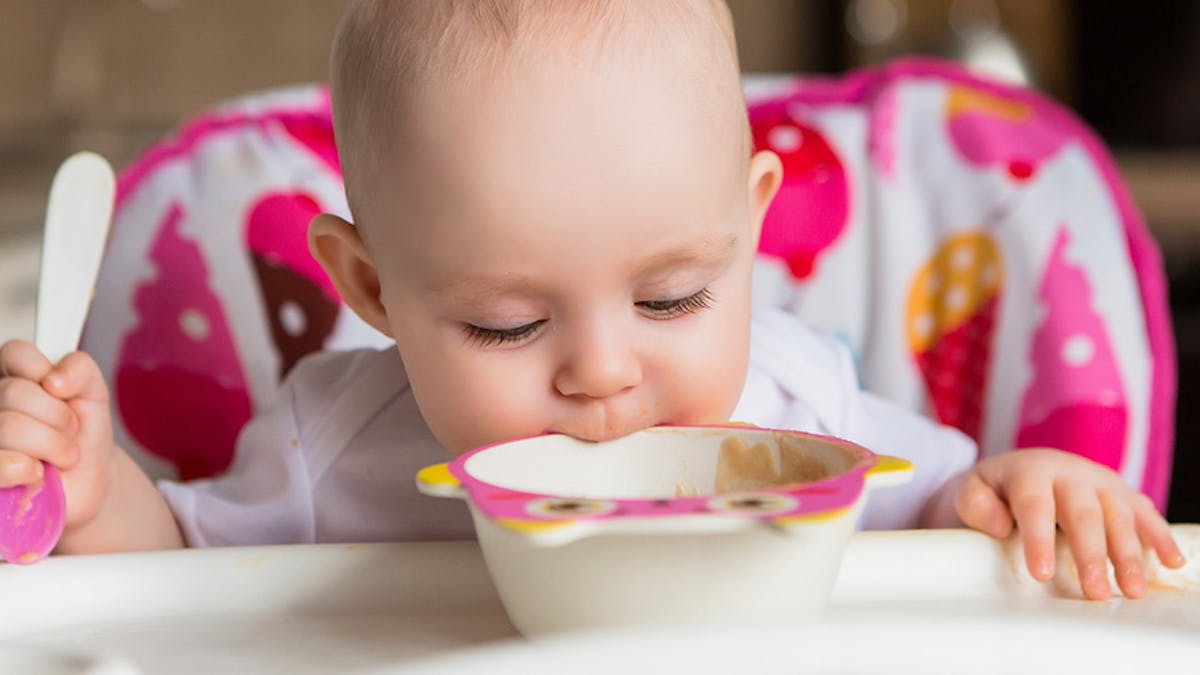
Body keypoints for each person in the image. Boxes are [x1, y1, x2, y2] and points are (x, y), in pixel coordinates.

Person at [0, 0, 1182, 601]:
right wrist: (94, 495)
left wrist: (1025, 489)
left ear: (754, 224)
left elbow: (940, 516)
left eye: (674, 297)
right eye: (507, 324)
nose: (603, 374)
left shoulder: (799, 408)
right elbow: (184, 582)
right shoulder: (331, 448)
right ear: (371, 289)